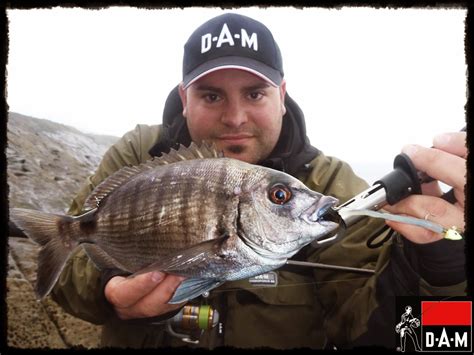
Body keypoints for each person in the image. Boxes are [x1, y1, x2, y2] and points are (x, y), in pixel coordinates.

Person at [50, 13, 467, 349]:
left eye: (254, 93)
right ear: (184, 98)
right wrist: (110, 289)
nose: (235, 118)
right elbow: (64, 280)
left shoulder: (332, 187)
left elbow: (430, 341)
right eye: (211, 95)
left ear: (281, 95)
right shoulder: (139, 155)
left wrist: (444, 266)